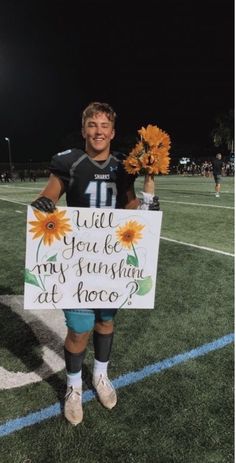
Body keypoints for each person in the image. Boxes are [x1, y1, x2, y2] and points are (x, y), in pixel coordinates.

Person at [31, 101, 159, 426]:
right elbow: (51, 192)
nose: (98, 131)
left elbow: (130, 204)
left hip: (110, 259)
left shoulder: (122, 166)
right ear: (84, 129)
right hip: (78, 260)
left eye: (104, 126)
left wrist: (146, 209)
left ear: (113, 132)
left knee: (105, 323)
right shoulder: (69, 162)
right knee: (79, 330)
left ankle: (100, 376)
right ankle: (74, 387)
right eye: (92, 125)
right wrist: (45, 203)